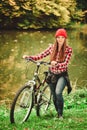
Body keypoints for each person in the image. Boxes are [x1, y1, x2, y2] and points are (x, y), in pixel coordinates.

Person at [23, 28, 72, 119]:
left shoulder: (68, 50)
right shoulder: (52, 47)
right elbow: (41, 55)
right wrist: (29, 57)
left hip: (62, 75)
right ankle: (58, 112)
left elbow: (65, 64)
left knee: (58, 93)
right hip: (52, 75)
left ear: (65, 39)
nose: (60, 39)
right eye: (58, 37)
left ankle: (60, 115)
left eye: (62, 37)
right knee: (53, 95)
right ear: (56, 38)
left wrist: (56, 64)